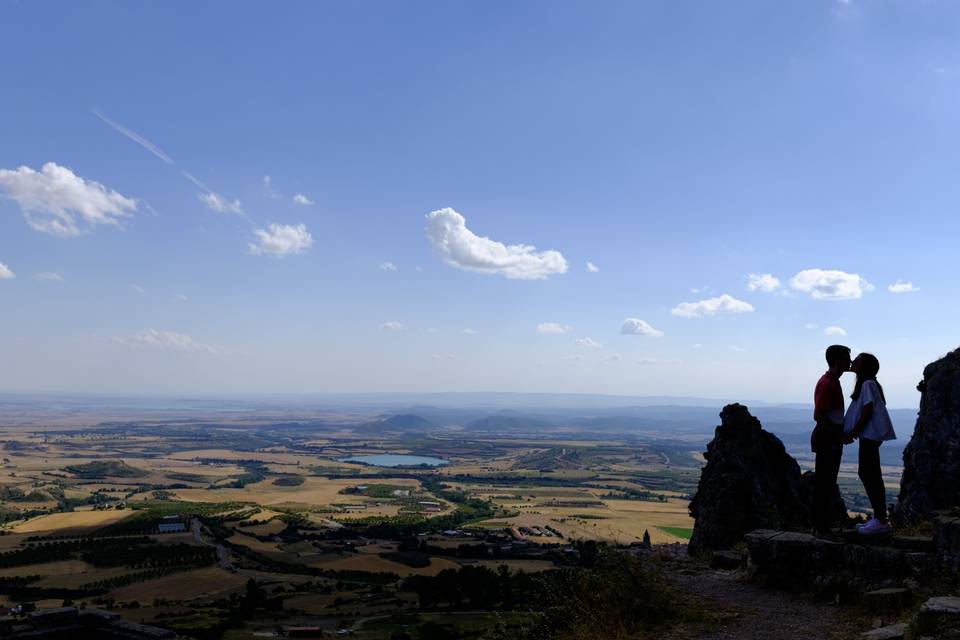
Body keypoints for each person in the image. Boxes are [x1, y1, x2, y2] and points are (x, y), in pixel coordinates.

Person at [844, 352, 896, 535]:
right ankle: (879, 518)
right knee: (869, 473)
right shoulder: (870, 383)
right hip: (871, 436)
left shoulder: (867, 384)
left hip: (870, 436)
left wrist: (853, 431)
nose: (853, 361)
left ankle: (881, 520)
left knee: (869, 474)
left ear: (864, 366)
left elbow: (867, 410)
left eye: (857, 360)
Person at [811, 344, 851, 536]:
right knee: (824, 483)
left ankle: (822, 525)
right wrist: (839, 435)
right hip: (828, 441)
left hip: (830, 440)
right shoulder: (828, 383)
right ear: (837, 361)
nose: (850, 362)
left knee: (827, 482)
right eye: (846, 358)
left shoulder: (833, 381)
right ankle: (821, 527)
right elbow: (819, 415)